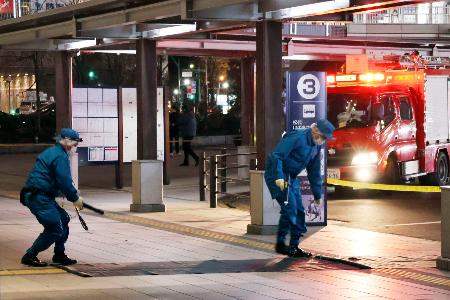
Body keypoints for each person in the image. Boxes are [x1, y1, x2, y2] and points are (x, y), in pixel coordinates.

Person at [264, 119, 335, 257]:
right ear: (316, 131)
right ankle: (280, 244)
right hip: (278, 174)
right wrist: (278, 176)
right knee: (289, 208)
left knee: (299, 211)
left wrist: (317, 194)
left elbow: (314, 171)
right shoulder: (298, 137)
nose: (324, 141)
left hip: (291, 177)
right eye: (323, 137)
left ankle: (294, 246)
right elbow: (276, 155)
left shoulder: (316, 145)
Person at [20, 128, 84, 267]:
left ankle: (59, 254)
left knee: (64, 219)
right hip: (39, 197)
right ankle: (29, 255)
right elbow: (64, 181)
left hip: (39, 195)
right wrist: (75, 197)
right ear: (67, 142)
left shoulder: (51, 152)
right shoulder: (60, 156)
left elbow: (51, 178)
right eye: (75, 144)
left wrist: (69, 194)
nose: (75, 147)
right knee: (54, 228)